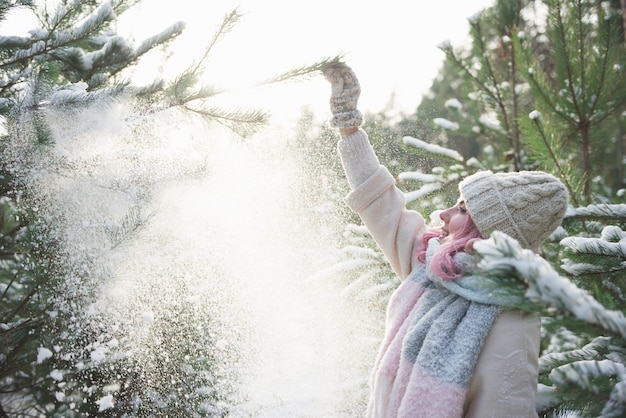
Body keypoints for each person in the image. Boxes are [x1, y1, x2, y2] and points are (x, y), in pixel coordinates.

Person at [322, 63, 569, 418]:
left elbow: (505, 409)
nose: (444, 215)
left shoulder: (511, 311)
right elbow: (381, 205)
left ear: (487, 234)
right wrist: (349, 128)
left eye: (463, 210)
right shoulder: (433, 264)